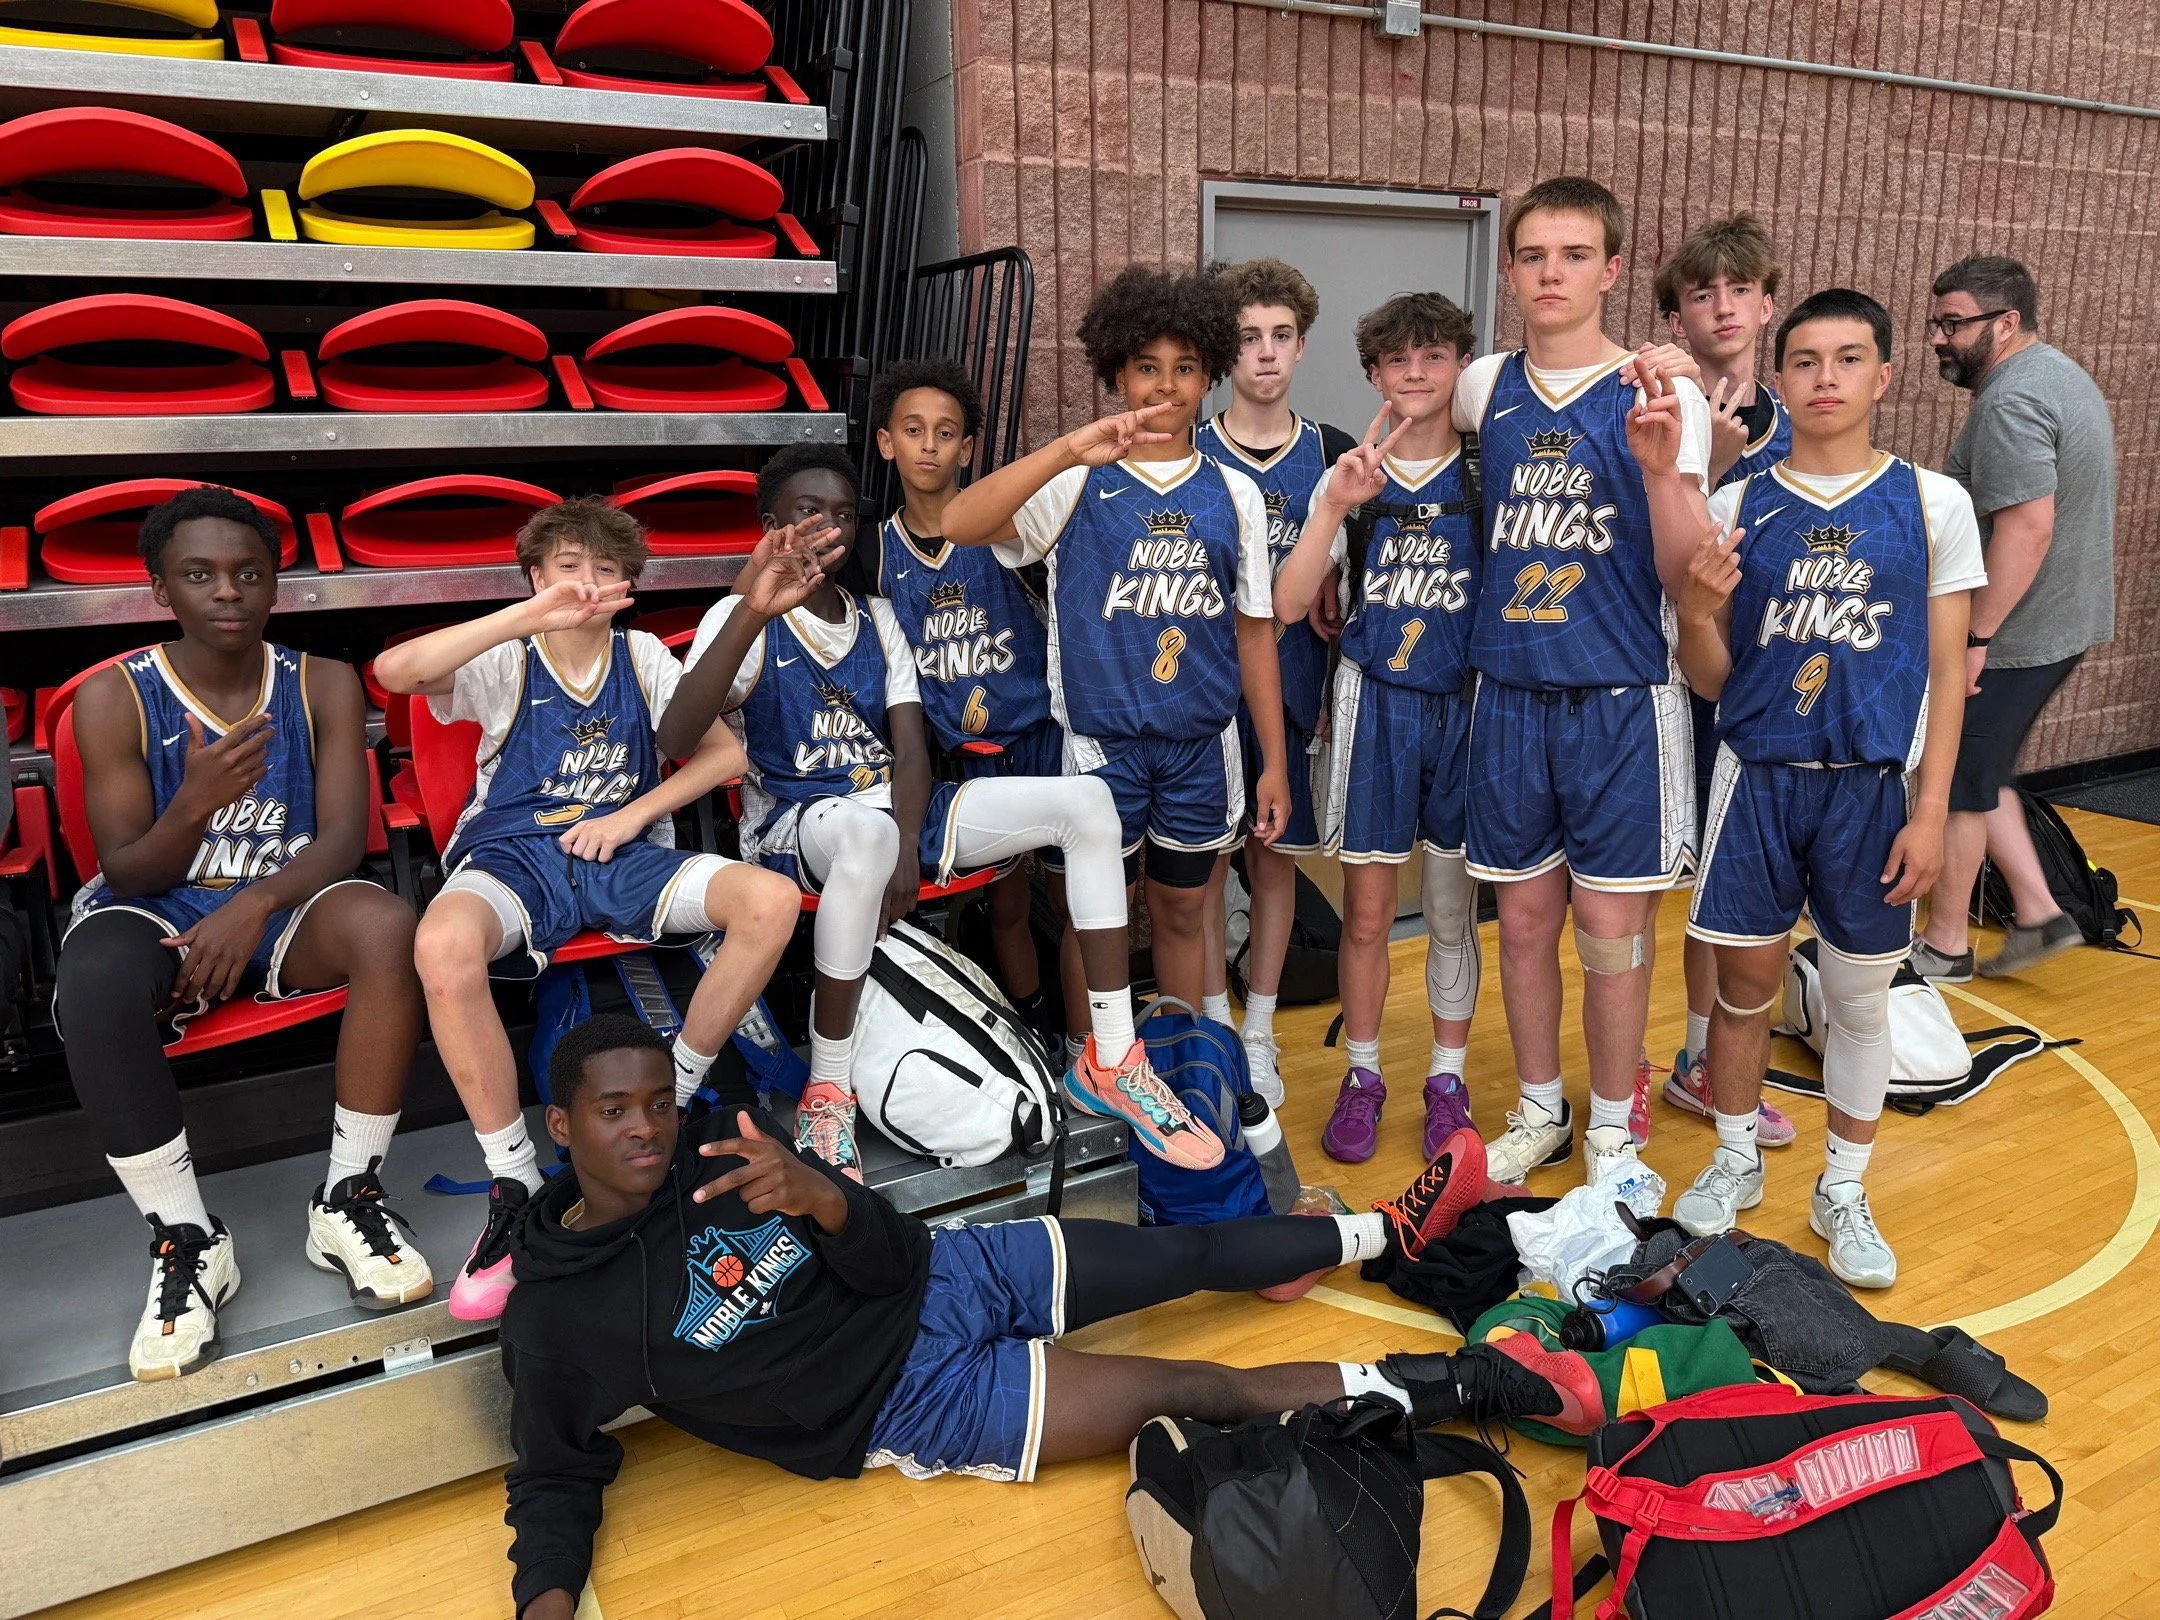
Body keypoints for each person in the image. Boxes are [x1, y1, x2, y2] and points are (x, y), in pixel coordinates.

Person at [500, 1013, 1552, 1620]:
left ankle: (1383, 1233)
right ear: (560, 1126)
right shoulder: (559, 1318)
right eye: (613, 1111)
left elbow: (889, 1253)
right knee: (1199, 1393)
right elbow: (552, 1472)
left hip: (941, 1280)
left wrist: (826, 1199)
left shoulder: (716, 1153)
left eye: (655, 1103)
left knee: (1174, 1256)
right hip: (911, 1401)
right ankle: (1461, 1387)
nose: (646, 1129)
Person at [661, 445, 1218, 1179]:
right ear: (773, 528)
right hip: (800, 823)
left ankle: (1110, 1056)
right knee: (862, 834)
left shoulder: (879, 615)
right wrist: (754, 611)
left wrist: (911, 837)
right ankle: (829, 1091)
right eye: (806, 513)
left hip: (892, 813)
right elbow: (675, 737)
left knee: (1087, 803)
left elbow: (913, 749)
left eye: (840, 513)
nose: (827, 525)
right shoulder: (739, 616)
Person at [375, 497, 799, 1323]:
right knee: (442, 944)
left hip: (620, 851)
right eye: (567, 566)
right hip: (516, 852)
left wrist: (634, 815)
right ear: (535, 576)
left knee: (770, 899)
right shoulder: (508, 651)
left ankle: (674, 1092)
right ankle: (514, 1180)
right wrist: (527, 614)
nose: (587, 583)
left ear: (629, 585)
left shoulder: (642, 654)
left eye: (606, 569)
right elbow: (397, 673)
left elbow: (724, 751)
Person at [1646, 288, 1985, 1288]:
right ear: (1780, 377)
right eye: (1804, 361)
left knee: (1857, 1003)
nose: (1824, 378)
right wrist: (1700, 614)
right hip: (1757, 780)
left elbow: (1948, 675)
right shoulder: (1740, 505)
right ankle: (1736, 1157)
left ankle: (1842, 1184)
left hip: (1875, 791)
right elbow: (1711, 678)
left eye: (1846, 360)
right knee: (1745, 994)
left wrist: (1930, 811)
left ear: (1883, 376)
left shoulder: (1933, 504)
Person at [58, 485, 432, 1379]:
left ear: (275, 586)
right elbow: (129, 869)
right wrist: (193, 802)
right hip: (158, 903)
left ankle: (348, 1195)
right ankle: (186, 1239)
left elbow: (344, 841)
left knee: (389, 926)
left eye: (247, 573)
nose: (226, 591)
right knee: (97, 975)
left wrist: (252, 905)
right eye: (199, 574)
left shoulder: (323, 682)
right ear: (161, 589)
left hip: (285, 897)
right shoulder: (113, 697)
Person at [939, 265, 1292, 1016]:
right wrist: (1069, 448)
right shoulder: (1076, 483)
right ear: (1117, 375)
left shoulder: (1234, 494)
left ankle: (1177, 1057)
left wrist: (1275, 763)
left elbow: (1254, 636)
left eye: (1185, 369)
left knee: (1179, 912)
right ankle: (1087, 1063)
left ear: (1209, 379)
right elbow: (958, 521)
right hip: (1101, 747)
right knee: (1093, 921)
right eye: (1145, 369)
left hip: (1201, 744)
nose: (1165, 389)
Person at [1452, 176, 1713, 1190]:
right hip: (1509, 693)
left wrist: (1660, 469)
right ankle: (1539, 1109)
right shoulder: (1483, 387)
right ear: (1510, 269)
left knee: (1611, 933)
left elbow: (1686, 570)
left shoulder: (1661, 392)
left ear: (1610, 270)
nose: (1550, 273)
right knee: (1521, 921)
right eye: (1531, 255)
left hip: (1620, 697)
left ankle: (1611, 1124)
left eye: (1572, 255)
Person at [1272, 292, 1484, 1165]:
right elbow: (1288, 603)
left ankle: (1446, 1076)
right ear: (1374, 375)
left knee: (1450, 909)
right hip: (1377, 699)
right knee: (1366, 912)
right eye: (1399, 361)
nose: (1417, 374)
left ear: (1460, 367)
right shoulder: (1350, 477)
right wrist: (1331, 508)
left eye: (1434, 357)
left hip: (1468, 702)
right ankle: (1362, 1075)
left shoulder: (1490, 469)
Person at [1914, 254, 2118, 982]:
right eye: (1935, 322)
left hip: (2018, 635)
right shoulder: (2055, 373)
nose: (1939, 338)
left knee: (1964, 775)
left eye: (1955, 323)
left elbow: (2027, 528)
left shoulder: (2010, 402)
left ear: (2005, 322)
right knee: (1987, 768)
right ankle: (2035, 910)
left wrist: (1974, 639)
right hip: (2058, 625)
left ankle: (1943, 945)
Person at [866, 356, 1070, 1047]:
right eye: (913, 429)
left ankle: (1087, 1038)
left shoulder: (1003, 525)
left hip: (1041, 739)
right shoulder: (877, 551)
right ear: (886, 441)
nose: (930, 445)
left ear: (967, 447)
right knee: (1006, 905)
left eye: (946, 432)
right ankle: (1032, 1023)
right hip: (962, 759)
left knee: (1073, 901)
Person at [1192, 256, 1357, 1102]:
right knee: (1208, 868)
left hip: (1291, 686)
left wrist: (1333, 576)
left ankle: (1259, 1030)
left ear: (1301, 345)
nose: (1265, 353)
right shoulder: (1191, 448)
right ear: (1227, 352)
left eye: (1281, 336)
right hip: (1204, 687)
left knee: (1275, 860)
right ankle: (1216, 1022)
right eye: (1249, 337)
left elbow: (1350, 573)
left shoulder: (1331, 451)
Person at [1651, 212, 1798, 1151]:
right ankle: (1679, 1060)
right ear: (1677, 310)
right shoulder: (1655, 398)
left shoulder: (1801, 414)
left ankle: (1706, 1058)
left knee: (1728, 878)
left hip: (1751, 683)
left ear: (1767, 303)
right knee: (1655, 881)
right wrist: (1711, 462)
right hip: (1645, 666)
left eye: (1739, 289)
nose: (1722, 306)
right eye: (1702, 291)